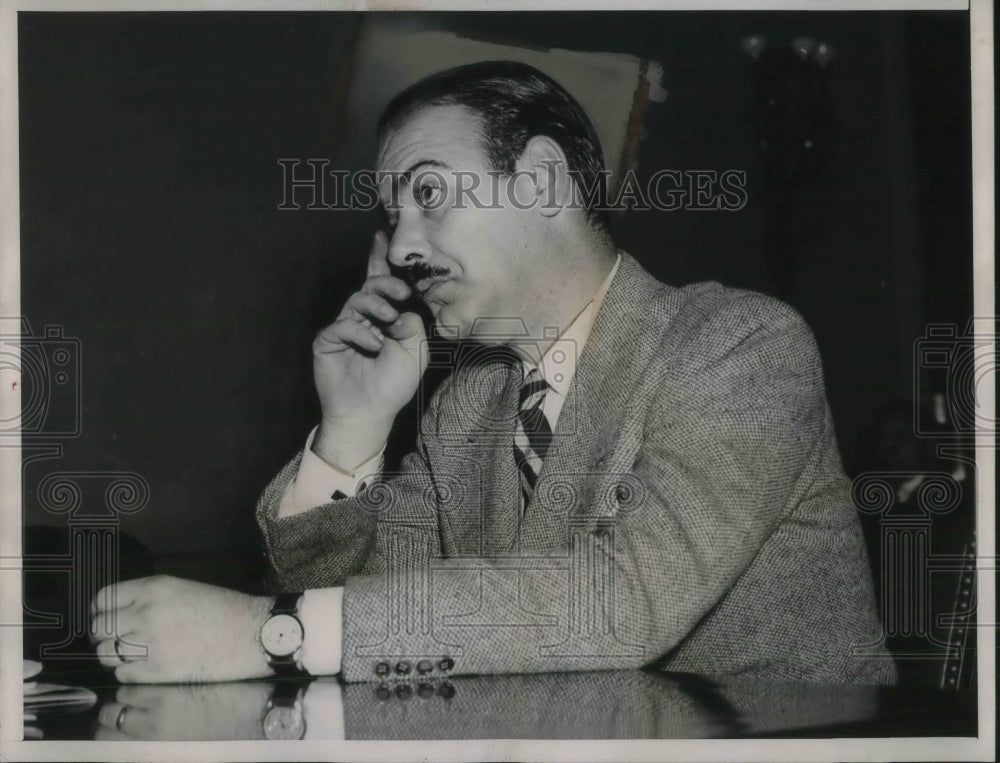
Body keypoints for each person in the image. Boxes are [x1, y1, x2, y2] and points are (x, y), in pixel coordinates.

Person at [89, 61, 895, 687]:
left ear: (542, 180)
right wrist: (353, 430)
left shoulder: (740, 345)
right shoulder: (467, 407)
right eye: (391, 214)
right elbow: (373, 611)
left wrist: (270, 633)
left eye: (428, 193)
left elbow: (624, 604)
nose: (401, 247)